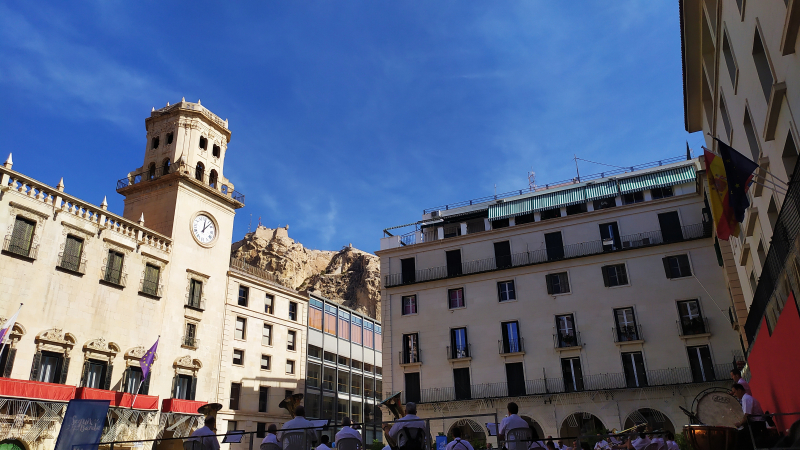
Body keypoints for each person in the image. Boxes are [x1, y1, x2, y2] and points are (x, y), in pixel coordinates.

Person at [731, 383, 766, 448]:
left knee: (740, 437)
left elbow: (747, 415)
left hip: (757, 424)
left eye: (734, 392)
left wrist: (740, 423)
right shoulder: (745, 398)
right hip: (755, 423)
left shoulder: (746, 399)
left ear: (739, 390)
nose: (734, 394)